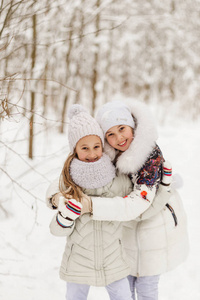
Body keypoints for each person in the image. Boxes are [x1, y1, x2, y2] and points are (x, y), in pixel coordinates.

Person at [83, 99, 189, 300]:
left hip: (154, 227)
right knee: (125, 284)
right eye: (111, 134)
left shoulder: (149, 155)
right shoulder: (109, 156)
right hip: (127, 230)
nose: (119, 138)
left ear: (132, 125)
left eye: (122, 128)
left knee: (147, 286)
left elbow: (140, 205)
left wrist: (93, 207)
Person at [48, 104, 134, 300]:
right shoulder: (69, 180)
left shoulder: (117, 175)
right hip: (79, 260)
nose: (92, 153)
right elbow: (56, 229)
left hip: (113, 259)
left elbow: (134, 202)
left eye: (96, 146)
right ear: (74, 150)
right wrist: (64, 214)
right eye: (84, 148)